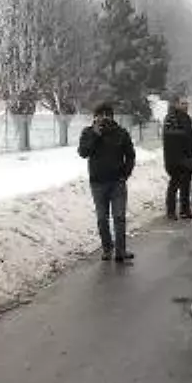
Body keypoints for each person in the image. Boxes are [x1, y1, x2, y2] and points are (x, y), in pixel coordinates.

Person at [78, 102, 136, 263]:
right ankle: (107, 248)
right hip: (97, 183)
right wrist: (95, 135)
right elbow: (83, 152)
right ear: (95, 117)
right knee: (102, 218)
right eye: (100, 115)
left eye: (107, 115)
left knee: (119, 217)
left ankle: (121, 251)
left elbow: (130, 155)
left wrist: (125, 173)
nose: (104, 118)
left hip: (117, 182)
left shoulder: (121, 133)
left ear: (112, 116)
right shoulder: (88, 133)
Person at [162, 95, 192, 220]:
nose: (185, 106)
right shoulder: (171, 118)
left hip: (186, 156)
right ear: (176, 104)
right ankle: (171, 211)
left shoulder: (186, 118)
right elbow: (170, 135)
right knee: (174, 183)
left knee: (186, 184)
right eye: (183, 103)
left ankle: (184, 210)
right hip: (174, 158)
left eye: (186, 103)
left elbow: (190, 136)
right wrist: (185, 136)